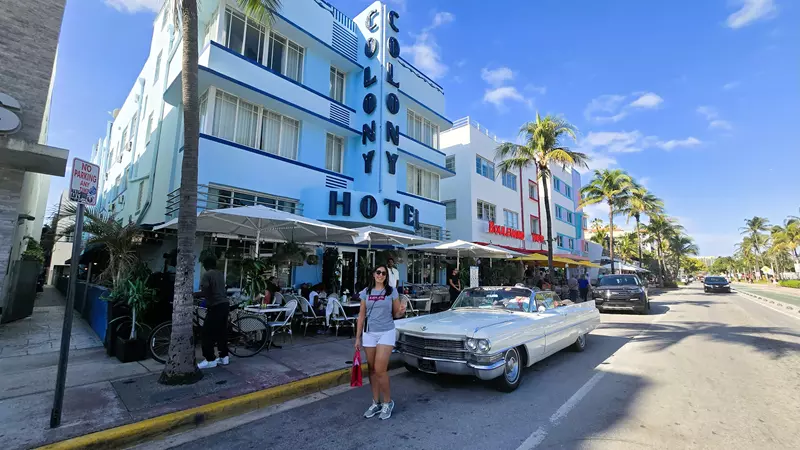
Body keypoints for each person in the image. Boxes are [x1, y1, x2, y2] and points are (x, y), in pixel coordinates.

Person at [355, 265, 406, 420]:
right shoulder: (366, 292)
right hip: (369, 333)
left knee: (380, 369)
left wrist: (401, 311)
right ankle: (375, 402)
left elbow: (396, 314)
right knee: (371, 369)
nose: (381, 275)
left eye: (384, 273)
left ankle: (387, 402)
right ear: (373, 274)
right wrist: (357, 337)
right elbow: (361, 316)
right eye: (378, 272)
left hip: (386, 332)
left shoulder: (391, 291)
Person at [194, 256, 230, 369]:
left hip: (215, 306)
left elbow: (205, 291)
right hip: (225, 305)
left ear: (205, 265)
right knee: (221, 333)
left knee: (206, 333)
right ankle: (224, 357)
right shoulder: (220, 274)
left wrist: (193, 294)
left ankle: (210, 359)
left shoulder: (207, 274)